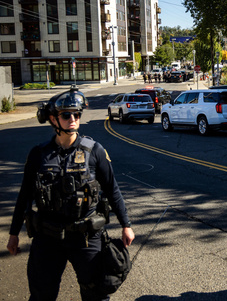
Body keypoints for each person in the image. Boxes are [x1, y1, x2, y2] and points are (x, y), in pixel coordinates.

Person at [6, 86, 135, 300]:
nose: (73, 119)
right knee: (41, 295)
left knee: (95, 293)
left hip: (85, 236)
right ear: (53, 120)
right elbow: (24, 196)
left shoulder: (95, 151)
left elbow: (113, 189)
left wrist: (126, 225)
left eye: (76, 114)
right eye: (66, 115)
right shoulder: (39, 155)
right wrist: (13, 234)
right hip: (47, 237)